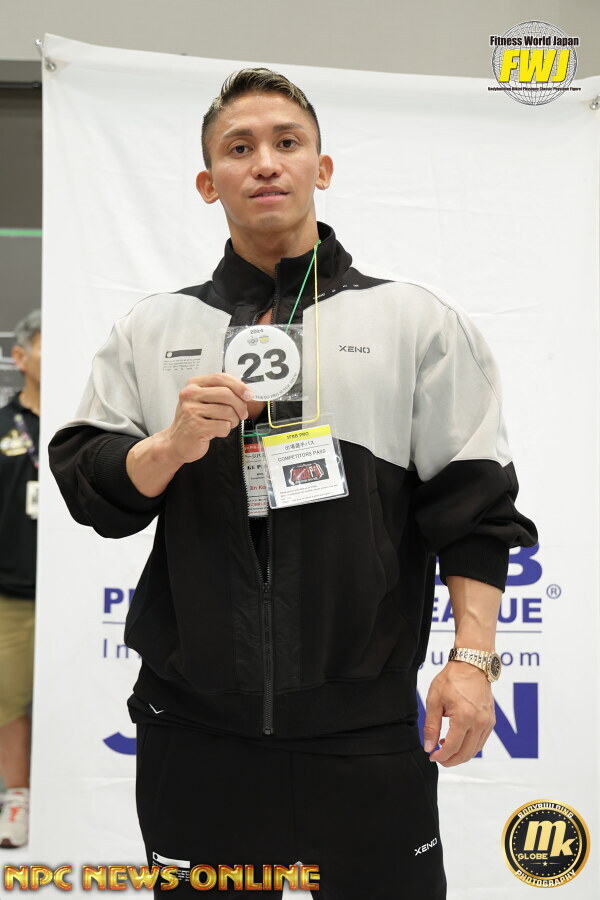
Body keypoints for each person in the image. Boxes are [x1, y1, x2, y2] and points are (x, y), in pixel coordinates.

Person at [49, 69, 537, 898]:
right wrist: (171, 444)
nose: (265, 162)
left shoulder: (413, 321)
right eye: (239, 148)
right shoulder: (153, 327)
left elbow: (475, 507)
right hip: (194, 731)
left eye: (287, 142)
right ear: (209, 183)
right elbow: (91, 483)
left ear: (322, 166)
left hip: (365, 733)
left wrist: (473, 662)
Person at [0, 309, 41, 849]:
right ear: (20, 356)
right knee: (8, 699)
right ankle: (17, 797)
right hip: (13, 592)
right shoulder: (4, 424)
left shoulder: (84, 420)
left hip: (77, 591)